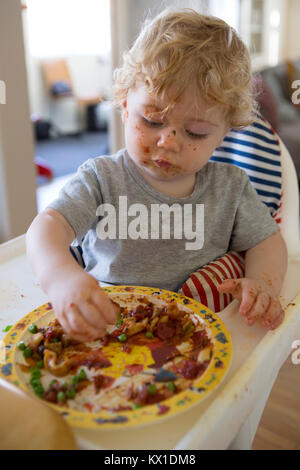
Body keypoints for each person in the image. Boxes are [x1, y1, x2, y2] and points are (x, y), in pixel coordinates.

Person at [26, 9, 287, 342]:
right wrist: (60, 278)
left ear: (223, 134)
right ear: (124, 106)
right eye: (152, 121)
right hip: (104, 328)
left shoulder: (231, 188)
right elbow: (46, 229)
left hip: (197, 336)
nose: (168, 141)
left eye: (195, 132)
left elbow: (268, 241)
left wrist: (263, 283)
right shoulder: (100, 178)